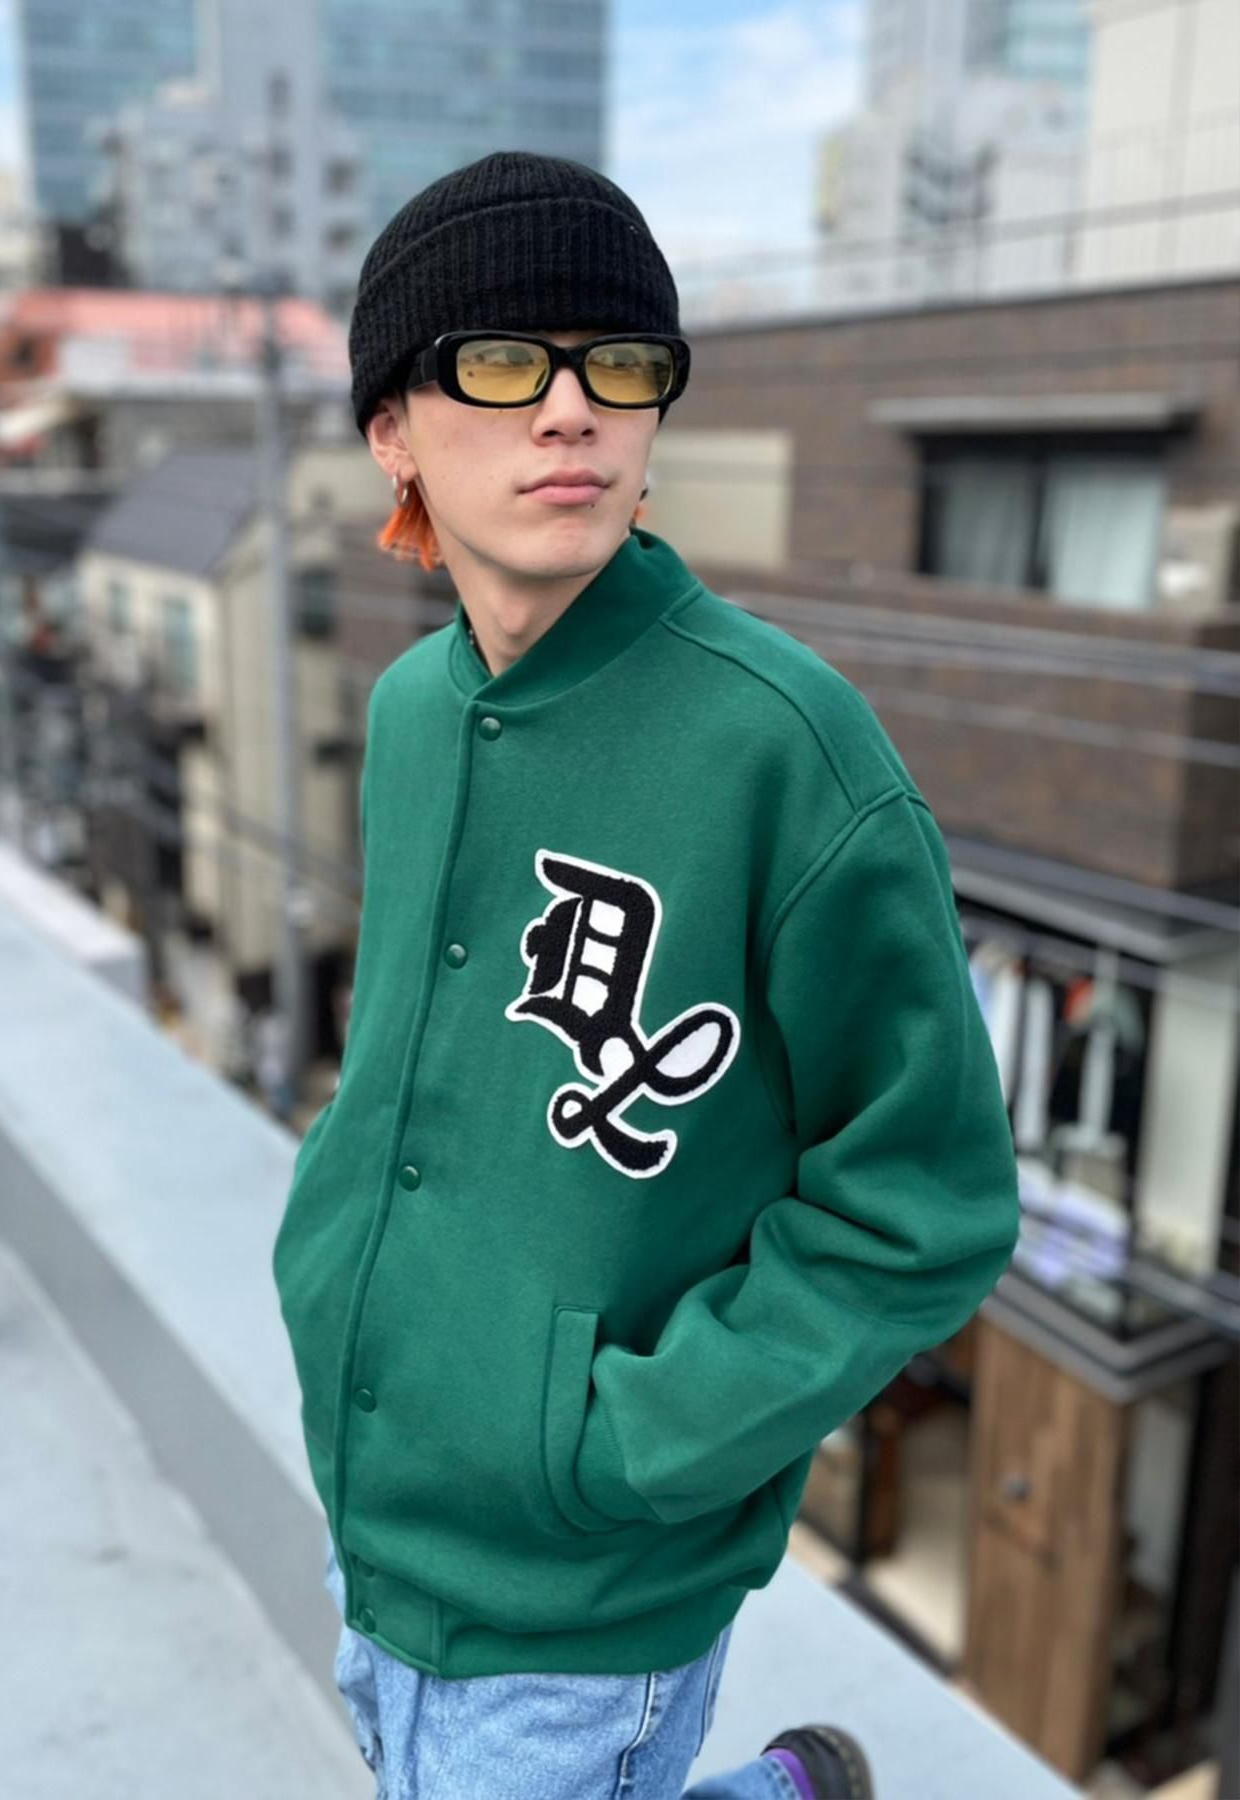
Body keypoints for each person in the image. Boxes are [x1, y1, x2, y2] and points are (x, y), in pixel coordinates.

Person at [271, 149, 1022, 1800]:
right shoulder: (409, 714)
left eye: (618, 365)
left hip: (588, 1572)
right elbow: (406, 1066)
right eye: (500, 363)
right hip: (380, 1477)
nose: (571, 411)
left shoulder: (787, 748)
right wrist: (332, 1267)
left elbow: (931, 1204)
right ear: (392, 430)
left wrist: (632, 1441)